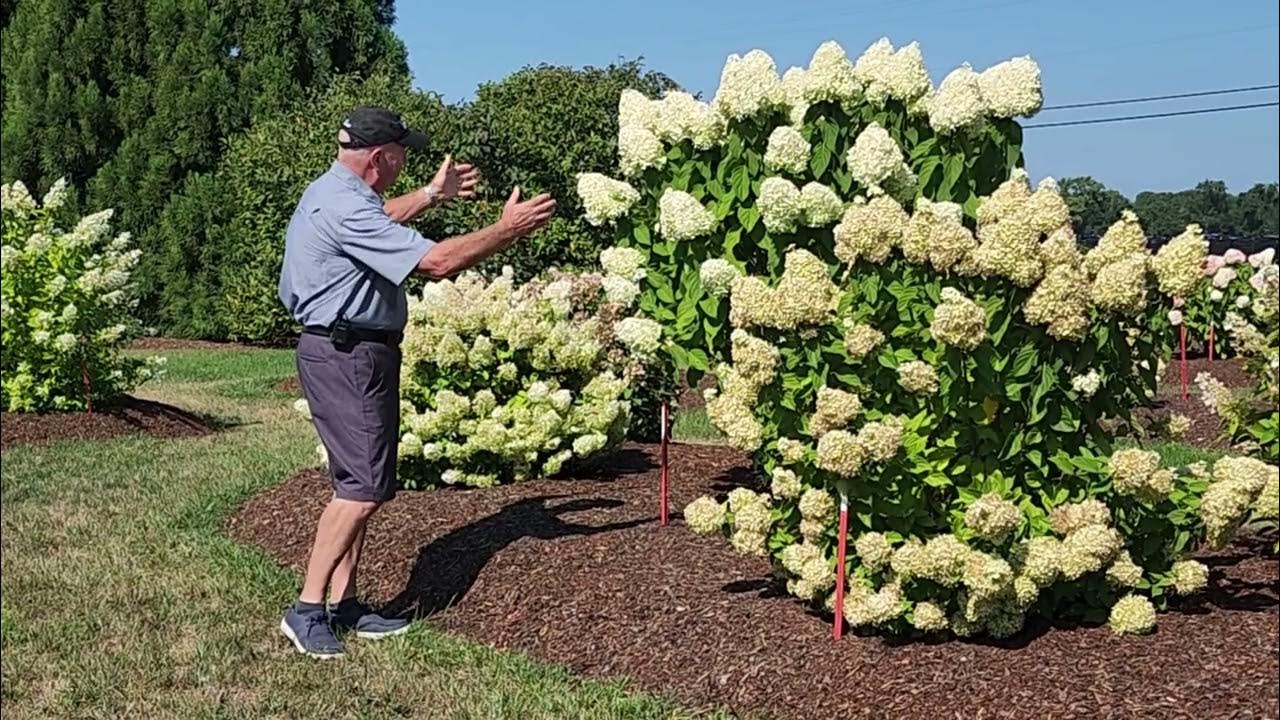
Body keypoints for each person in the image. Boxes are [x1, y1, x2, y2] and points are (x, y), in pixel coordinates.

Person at [276, 106, 556, 659]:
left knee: (354, 484)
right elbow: (437, 264)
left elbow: (382, 217)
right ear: (381, 157)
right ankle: (307, 610)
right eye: (403, 153)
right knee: (362, 491)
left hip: (349, 349)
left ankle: (346, 604)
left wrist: (432, 194)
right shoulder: (344, 206)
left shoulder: (338, 192)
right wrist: (507, 229)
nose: (407, 161)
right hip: (348, 353)